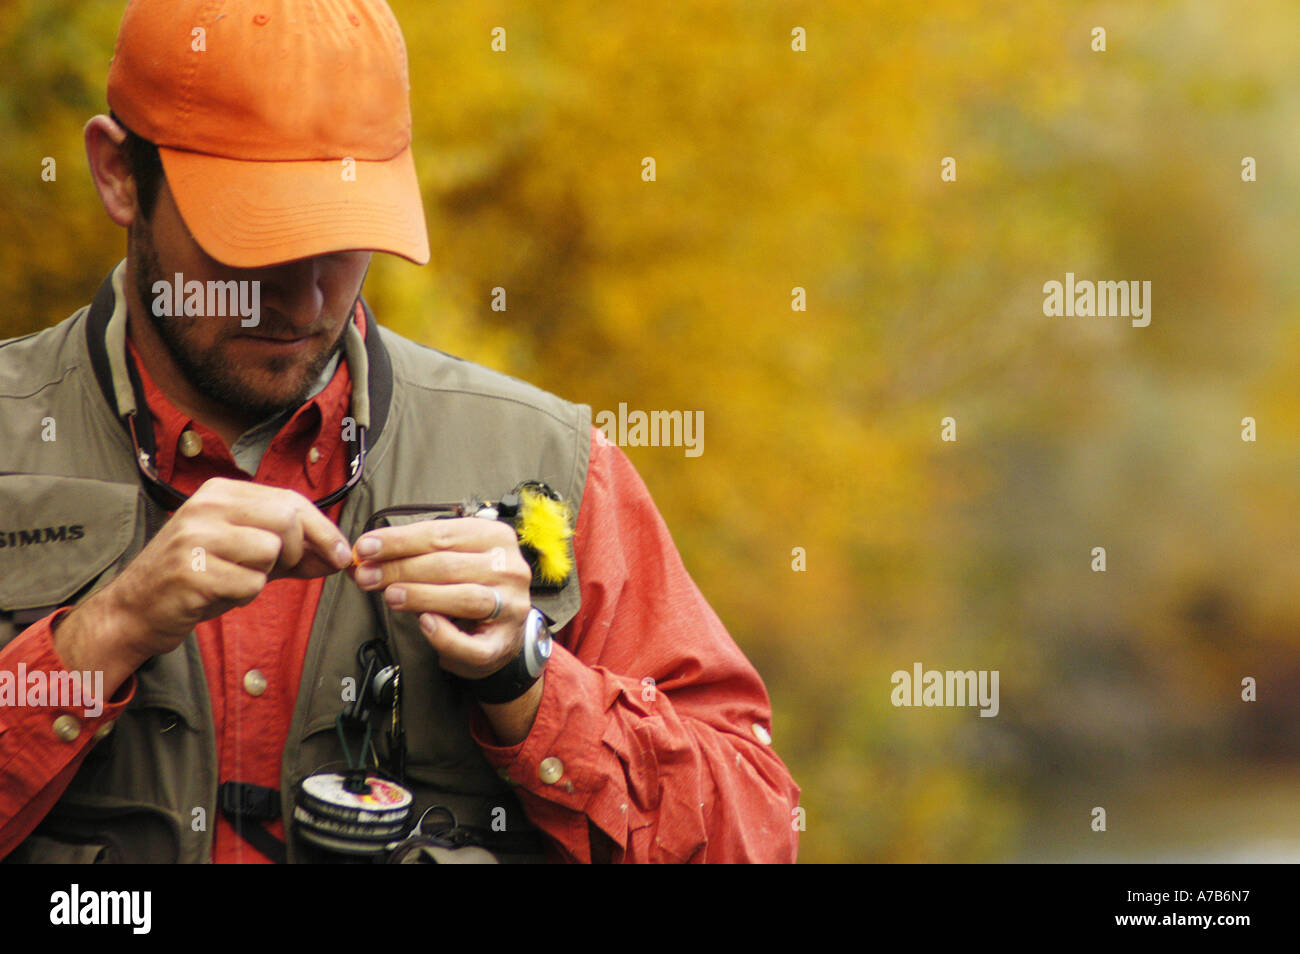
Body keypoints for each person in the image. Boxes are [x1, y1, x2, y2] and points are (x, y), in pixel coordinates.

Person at [0, 0, 799, 863]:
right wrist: (99, 638)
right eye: (252, 239)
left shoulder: (546, 470)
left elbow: (755, 832)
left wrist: (527, 682)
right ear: (119, 174)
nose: (304, 300)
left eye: (342, 241)